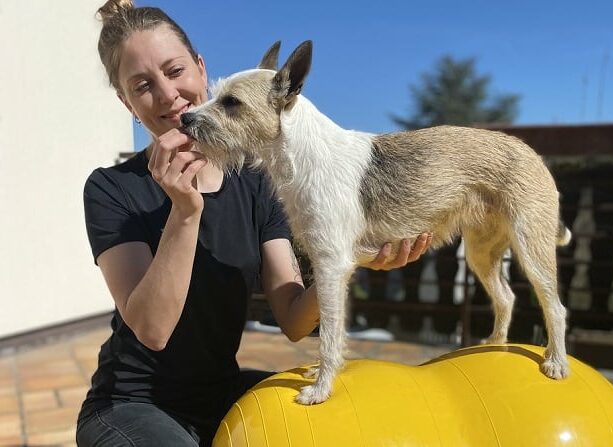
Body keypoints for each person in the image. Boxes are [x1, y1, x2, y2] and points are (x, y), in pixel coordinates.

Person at [76, 1, 433, 446]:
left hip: (222, 394)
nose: (168, 95)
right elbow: (153, 330)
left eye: (175, 70)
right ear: (125, 101)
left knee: (350, 421)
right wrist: (186, 212)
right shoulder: (112, 190)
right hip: (133, 404)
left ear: (201, 68)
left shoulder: (256, 185)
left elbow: (293, 319)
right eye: (143, 85)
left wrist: (352, 259)